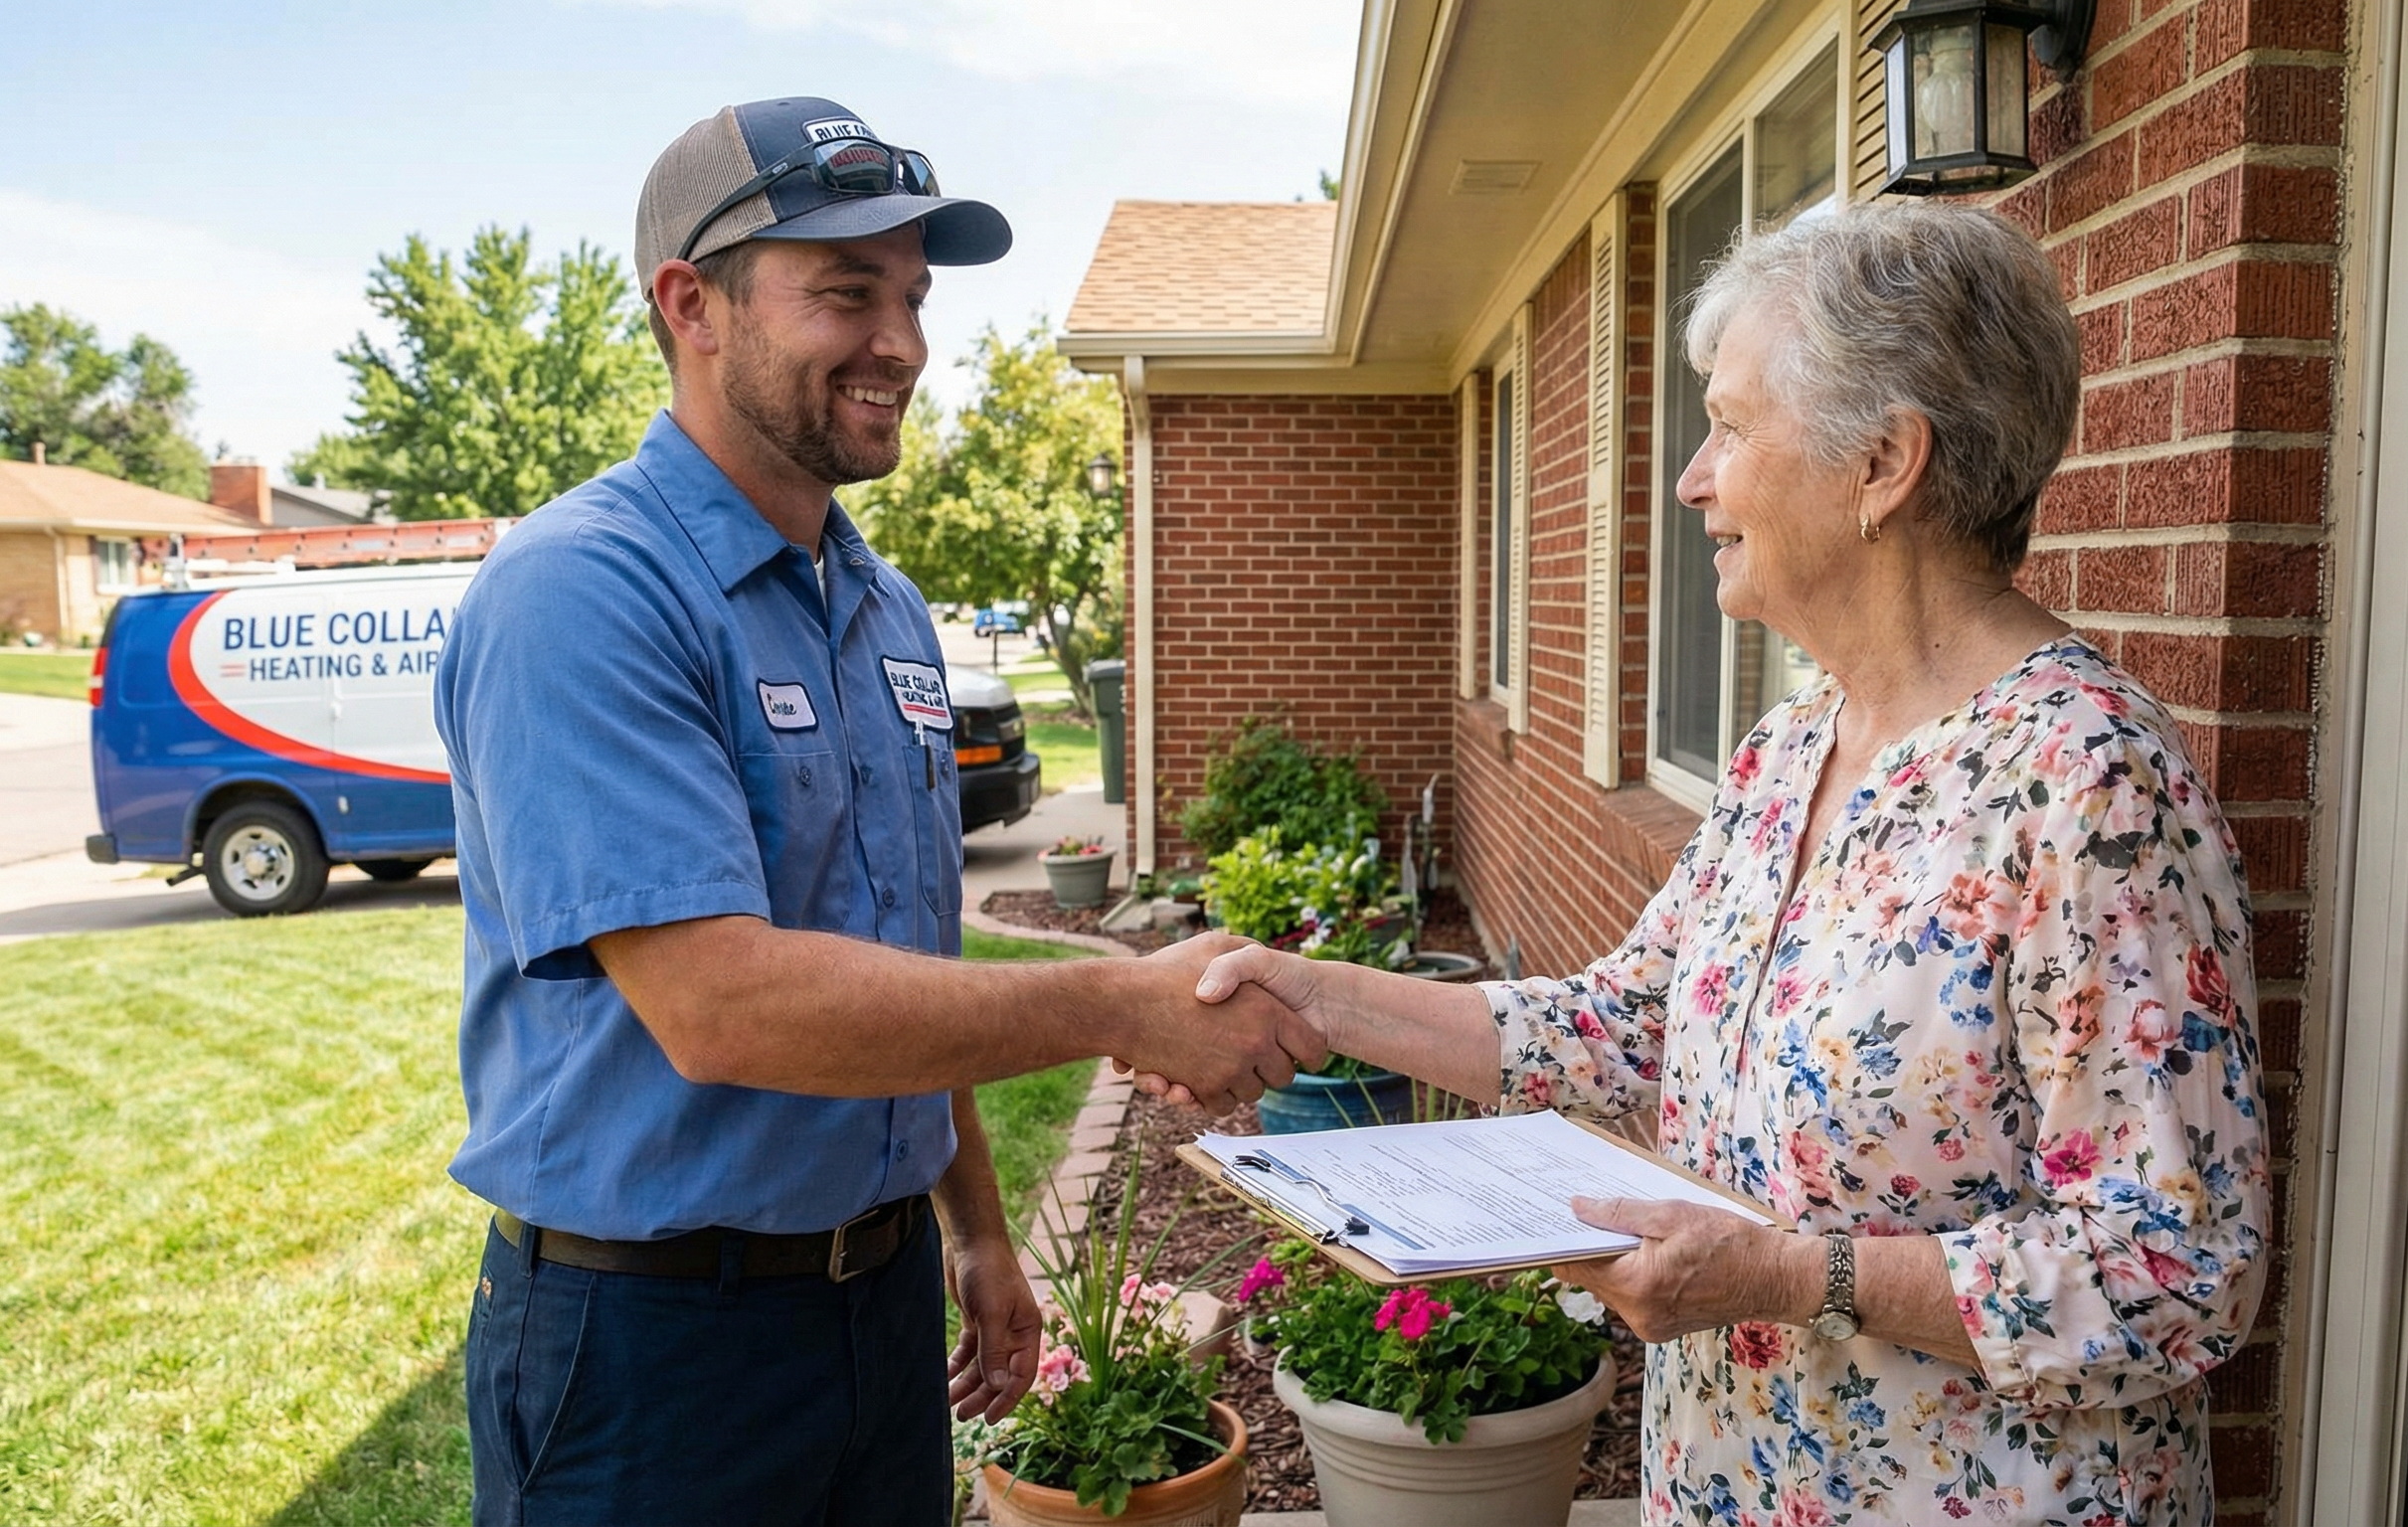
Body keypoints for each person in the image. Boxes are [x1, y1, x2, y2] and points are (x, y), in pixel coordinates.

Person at [1189, 202, 2270, 1524]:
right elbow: (1632, 1025)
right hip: (1734, 1481)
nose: (1696, 478)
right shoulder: (1787, 749)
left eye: (1733, 426)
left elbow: (2178, 1268)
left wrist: (1783, 1273)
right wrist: (1320, 1000)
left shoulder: (2086, 784)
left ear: (1883, 462)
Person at [435, 97, 1323, 1526]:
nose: (903, 343)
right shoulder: (586, 593)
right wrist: (1121, 1004)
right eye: (847, 293)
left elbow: (900, 958)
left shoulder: (890, 612)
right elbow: (725, 1006)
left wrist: (973, 1229)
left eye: (911, 297)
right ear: (692, 307)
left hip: (880, 1306)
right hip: (649, 1346)